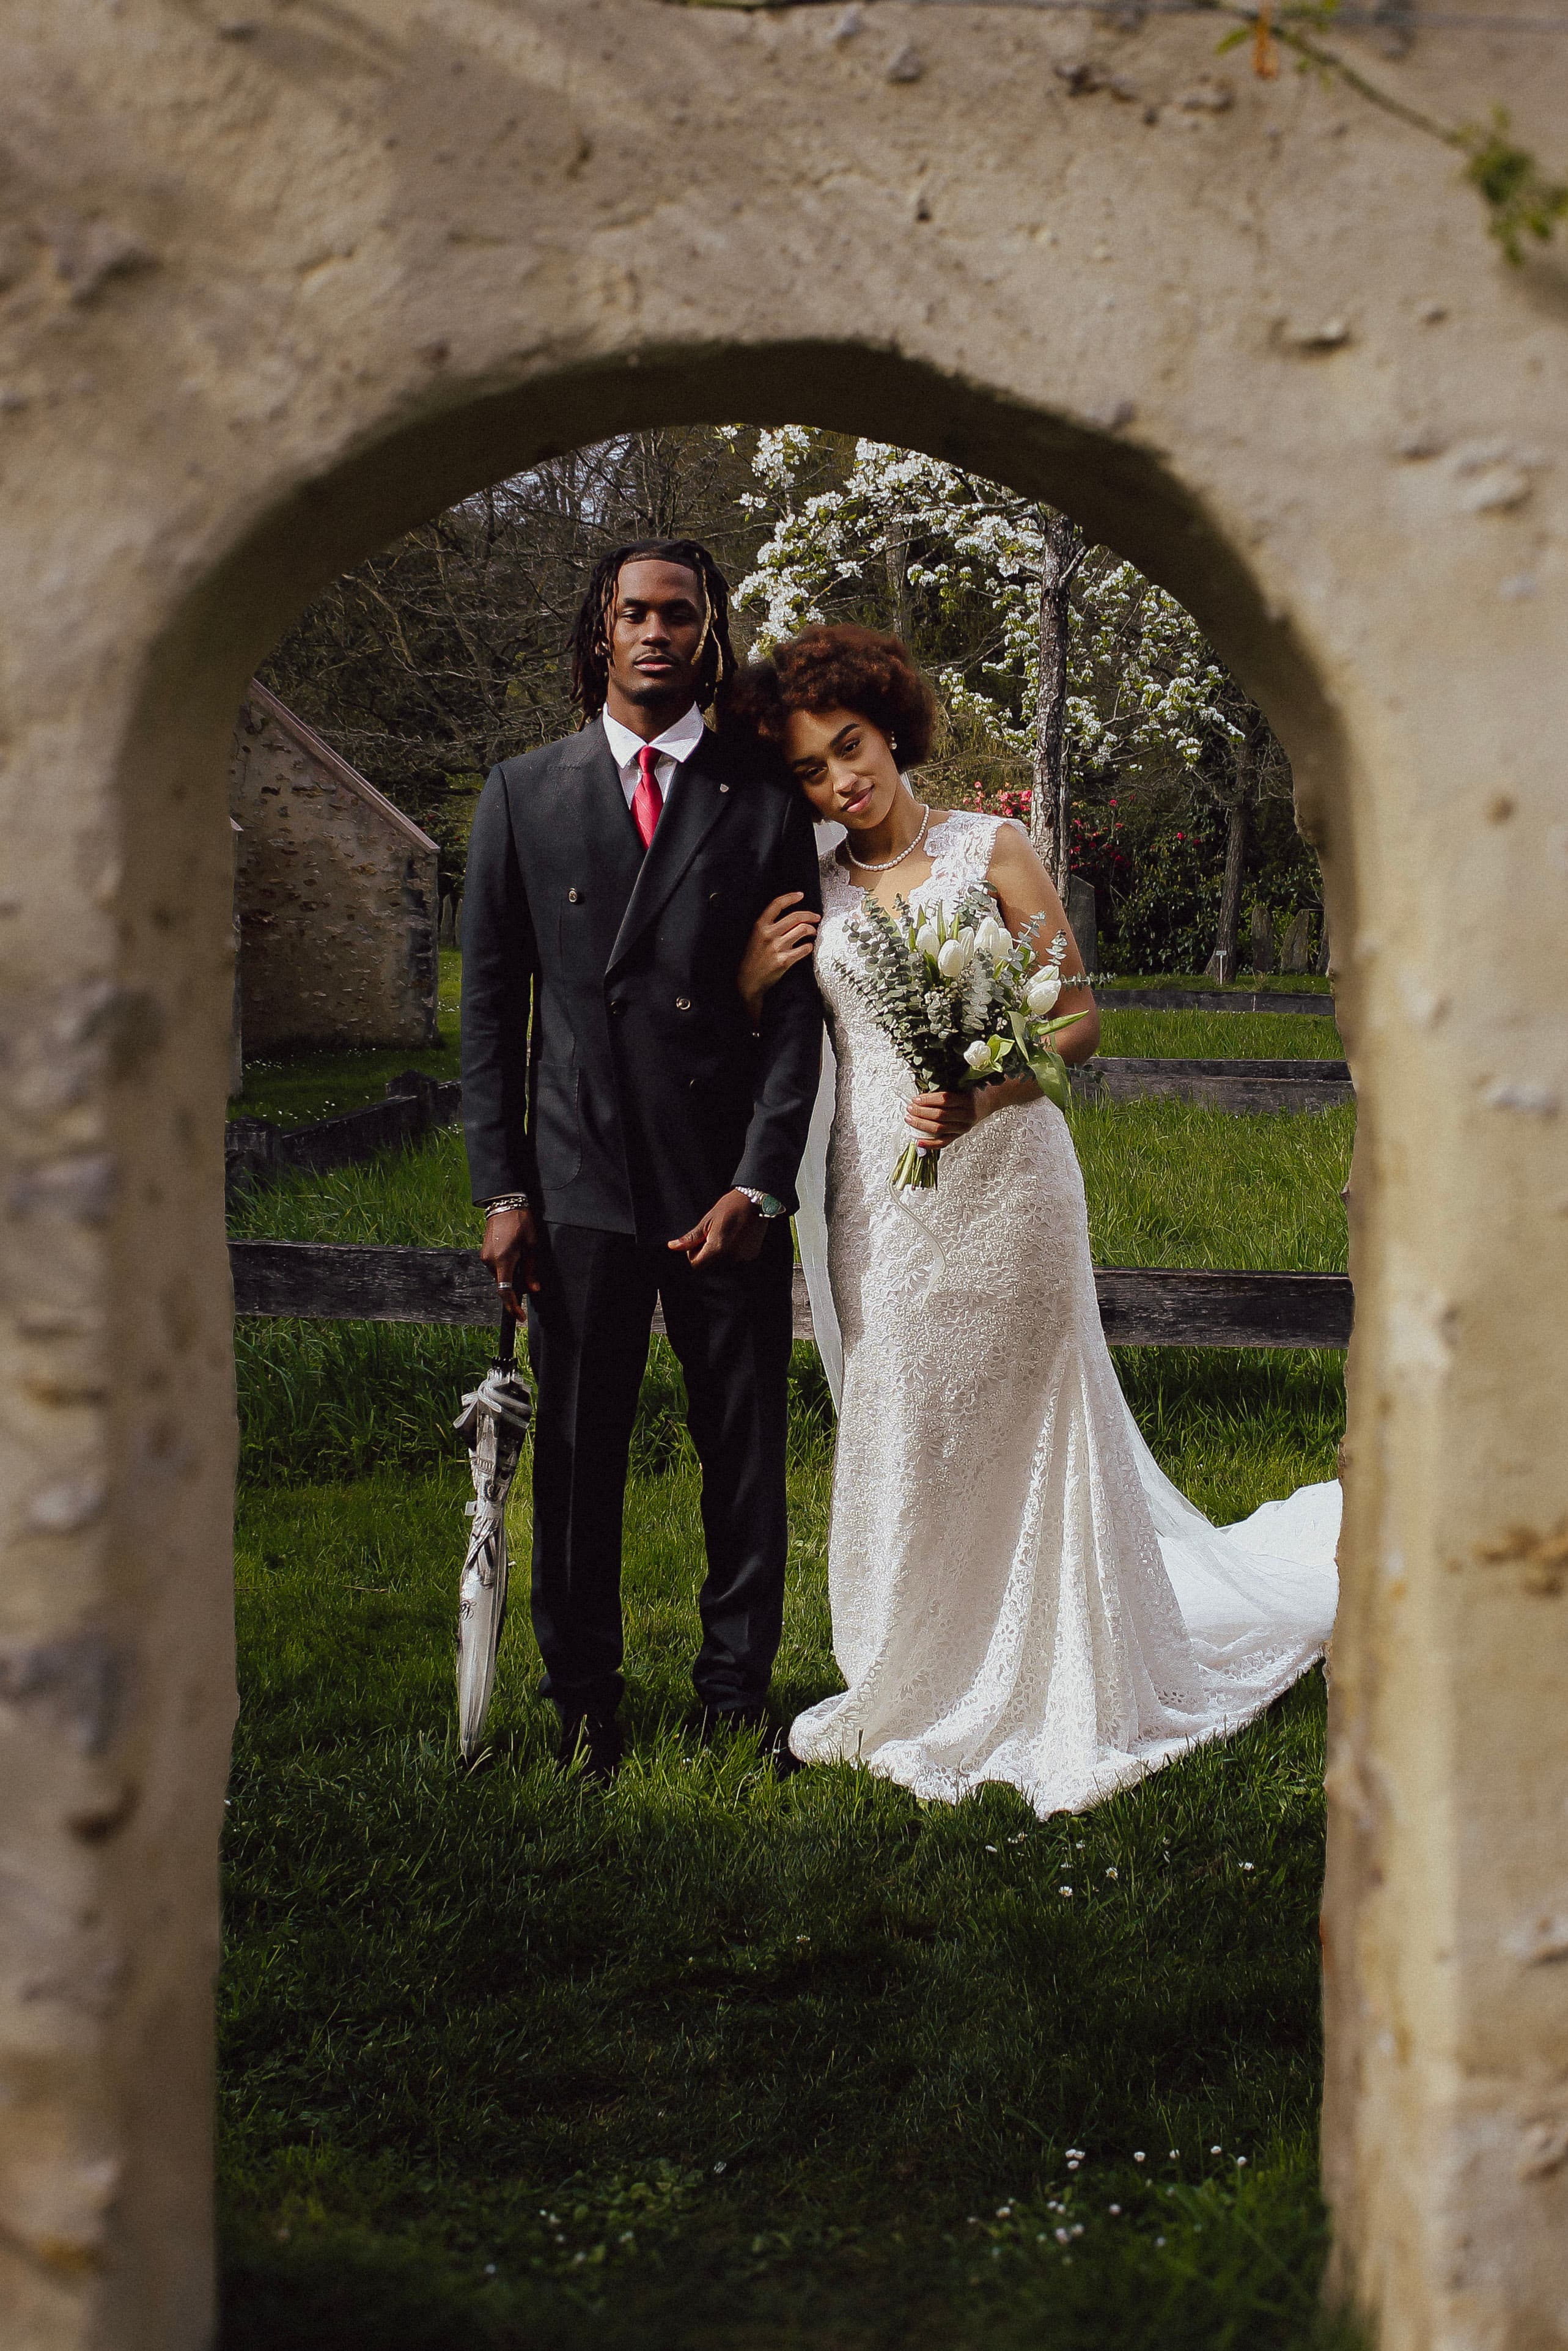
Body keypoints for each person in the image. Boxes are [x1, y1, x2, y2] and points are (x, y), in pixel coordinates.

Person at [726, 624, 1339, 1817]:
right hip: (879, 1195)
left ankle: (1058, 1662)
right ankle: (921, 1669)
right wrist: (753, 981)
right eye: (810, 769)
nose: (840, 781)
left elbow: (1076, 1020)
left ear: (886, 726)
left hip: (1009, 1179)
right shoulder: (805, 874)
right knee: (908, 1407)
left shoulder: (987, 846)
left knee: (1028, 1417)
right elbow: (768, 1036)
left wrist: (983, 1085)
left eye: (848, 748)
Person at [461, 542, 823, 1782]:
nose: (655, 633)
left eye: (678, 615)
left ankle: (734, 1696)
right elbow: (487, 1012)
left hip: (720, 1182)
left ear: (705, 635)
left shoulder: (762, 799)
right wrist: (503, 1190)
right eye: (632, 613)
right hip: (580, 1179)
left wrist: (760, 1182)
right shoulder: (522, 793)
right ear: (599, 633)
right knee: (577, 1456)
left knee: (743, 1455)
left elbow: (796, 1024)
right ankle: (582, 1705)